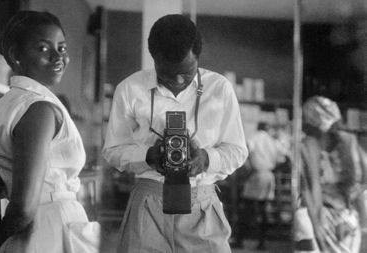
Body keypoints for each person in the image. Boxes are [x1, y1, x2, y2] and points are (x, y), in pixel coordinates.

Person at [102, 14, 248, 253]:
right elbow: (112, 150)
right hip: (148, 202)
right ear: (154, 58)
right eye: (167, 74)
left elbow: (238, 150)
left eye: (187, 72)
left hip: (201, 203)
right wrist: (148, 156)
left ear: (197, 58)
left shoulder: (219, 88)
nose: (178, 80)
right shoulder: (129, 89)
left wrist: (205, 159)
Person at [0, 11, 99, 252]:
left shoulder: (9, 102)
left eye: (62, 48)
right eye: (43, 48)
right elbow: (25, 206)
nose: (58, 57)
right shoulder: (39, 109)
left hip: (39, 228)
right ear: (16, 55)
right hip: (50, 226)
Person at [295, 96, 367, 253]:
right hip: (320, 215)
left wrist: (362, 227)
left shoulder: (349, 143)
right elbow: (306, 190)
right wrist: (316, 224)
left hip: (346, 217)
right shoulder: (306, 147)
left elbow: (360, 188)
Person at [232, 122, 289, 250]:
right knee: (264, 209)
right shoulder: (273, 141)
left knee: (246, 208)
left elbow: (244, 152)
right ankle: (262, 242)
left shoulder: (254, 137)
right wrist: (274, 168)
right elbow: (285, 158)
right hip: (269, 175)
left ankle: (240, 239)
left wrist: (247, 170)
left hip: (256, 174)